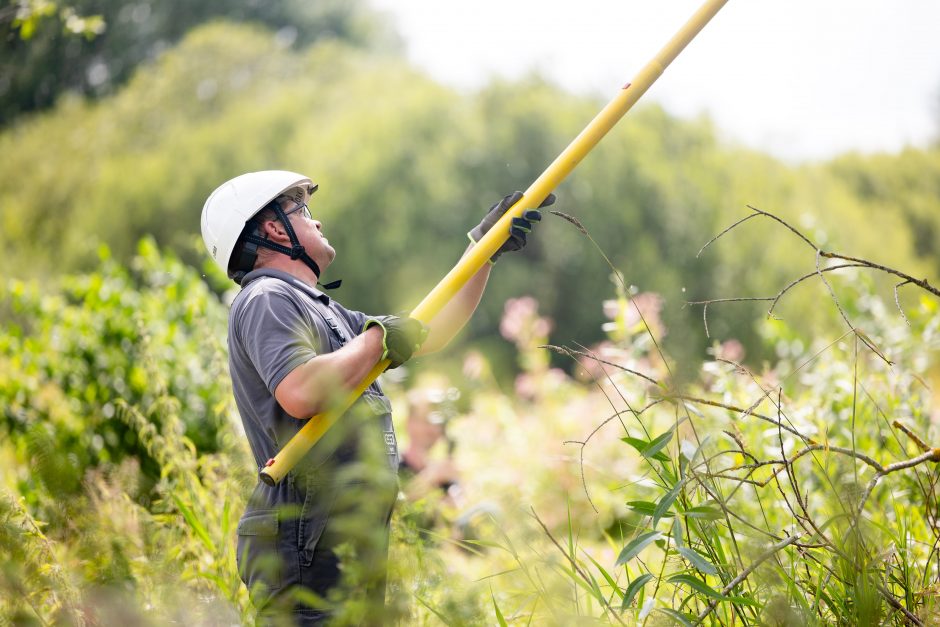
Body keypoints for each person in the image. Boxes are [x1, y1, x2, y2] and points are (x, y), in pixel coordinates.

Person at [200, 170, 554, 625]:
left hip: (342, 544)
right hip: (303, 550)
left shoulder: (327, 313)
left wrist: (484, 249)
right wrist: (377, 340)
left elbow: (432, 331)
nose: (318, 222)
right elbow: (302, 390)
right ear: (272, 227)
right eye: (303, 210)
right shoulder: (267, 297)